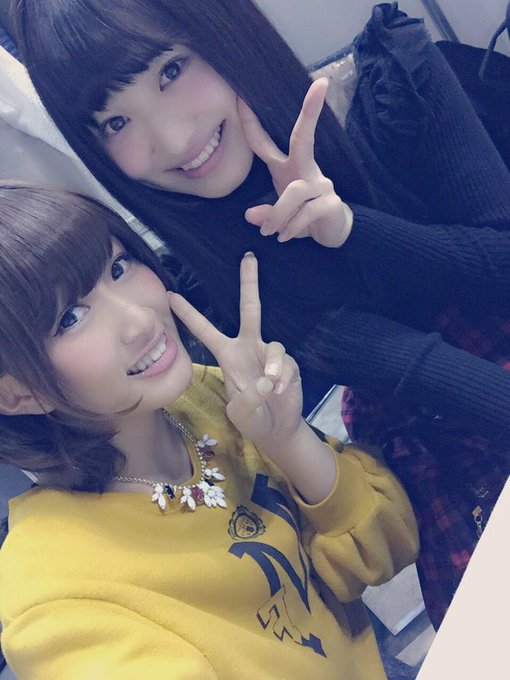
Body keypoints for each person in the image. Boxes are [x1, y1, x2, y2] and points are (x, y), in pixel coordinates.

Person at [12, 0, 510, 625]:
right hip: (443, 424)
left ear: (222, 29)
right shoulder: (208, 276)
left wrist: (351, 229)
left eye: (171, 70)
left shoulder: (390, 86)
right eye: (115, 122)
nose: (174, 139)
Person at [0, 182, 418, 679]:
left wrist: (288, 440)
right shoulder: (56, 598)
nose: (141, 320)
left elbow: (388, 549)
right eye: (70, 318)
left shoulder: (204, 396)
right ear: (16, 394)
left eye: (119, 267)